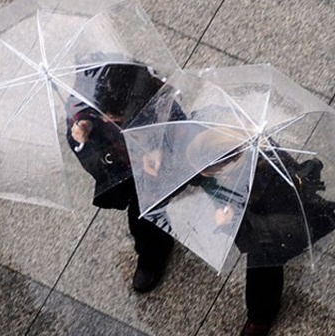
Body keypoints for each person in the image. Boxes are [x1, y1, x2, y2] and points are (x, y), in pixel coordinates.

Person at [185, 127, 335, 336]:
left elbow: (255, 237)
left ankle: (261, 317)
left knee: (263, 264)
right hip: (268, 208)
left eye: (210, 173)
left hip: (286, 223)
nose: (206, 177)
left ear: (231, 163)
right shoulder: (237, 150)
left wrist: (228, 223)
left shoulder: (267, 182)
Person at [66, 62, 177, 293]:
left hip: (152, 176)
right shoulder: (93, 100)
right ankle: (151, 252)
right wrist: (81, 130)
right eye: (103, 114)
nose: (106, 119)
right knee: (140, 220)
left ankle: (154, 253)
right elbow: (83, 123)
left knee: (144, 219)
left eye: (113, 116)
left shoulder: (162, 108)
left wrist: (158, 150)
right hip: (121, 173)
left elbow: (180, 134)